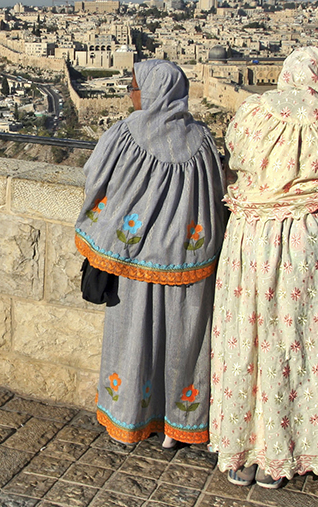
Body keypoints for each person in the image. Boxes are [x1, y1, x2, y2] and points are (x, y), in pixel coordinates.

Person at [209, 47, 318, 489]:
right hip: (313, 235)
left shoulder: (256, 111)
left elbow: (237, 155)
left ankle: (243, 448)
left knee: (248, 338)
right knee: (300, 340)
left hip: (253, 234)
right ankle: (288, 451)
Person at [75, 59, 225, 448]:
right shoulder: (204, 141)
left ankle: (130, 419)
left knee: (132, 340)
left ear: (153, 90)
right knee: (183, 344)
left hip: (134, 263)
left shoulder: (125, 134)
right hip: (186, 264)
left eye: (134, 86)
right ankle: (178, 426)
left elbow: (95, 177)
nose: (130, 93)